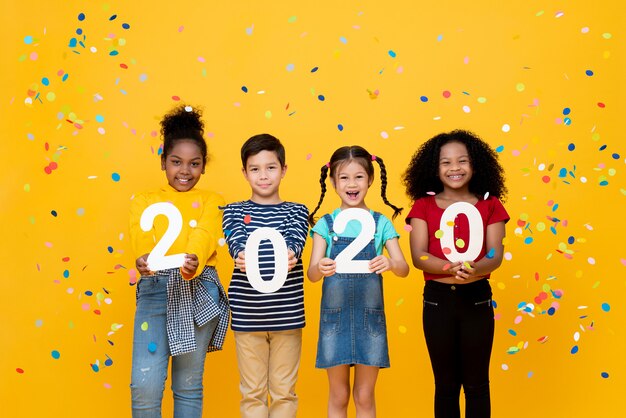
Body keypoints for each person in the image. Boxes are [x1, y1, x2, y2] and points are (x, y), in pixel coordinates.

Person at [128, 105, 230, 418]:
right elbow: (141, 233)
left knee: (187, 385)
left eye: (194, 164)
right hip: (155, 289)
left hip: (197, 289)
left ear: (202, 167)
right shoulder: (145, 200)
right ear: (163, 162)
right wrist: (144, 258)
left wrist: (194, 260)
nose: (184, 171)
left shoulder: (213, 200)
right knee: (144, 385)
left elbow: (206, 232)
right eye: (176, 162)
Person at [403, 130, 510, 418]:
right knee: (446, 385)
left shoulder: (491, 204)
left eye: (462, 161)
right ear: (433, 169)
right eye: (446, 162)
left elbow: (494, 254)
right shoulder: (422, 206)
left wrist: (476, 268)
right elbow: (419, 256)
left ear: (475, 164)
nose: (454, 168)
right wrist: (450, 267)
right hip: (437, 301)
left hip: (476, 298)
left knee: (477, 384)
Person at [307, 145, 409, 418]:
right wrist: (322, 266)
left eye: (359, 177)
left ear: (371, 180)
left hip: (369, 319)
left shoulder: (381, 223)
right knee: (338, 395)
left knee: (364, 396)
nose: (352, 184)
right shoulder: (325, 225)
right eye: (344, 178)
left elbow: (403, 268)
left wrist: (389, 263)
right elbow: (312, 274)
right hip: (335, 319)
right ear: (332, 182)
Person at [222, 133, 309, 417]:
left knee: (284, 393)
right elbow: (235, 242)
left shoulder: (297, 211)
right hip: (248, 316)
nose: (263, 175)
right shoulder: (233, 211)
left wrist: (292, 254)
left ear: (283, 170)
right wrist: (239, 255)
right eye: (255, 169)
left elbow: (296, 241)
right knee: (252, 393)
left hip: (287, 315)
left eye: (271, 167)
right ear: (245, 173)